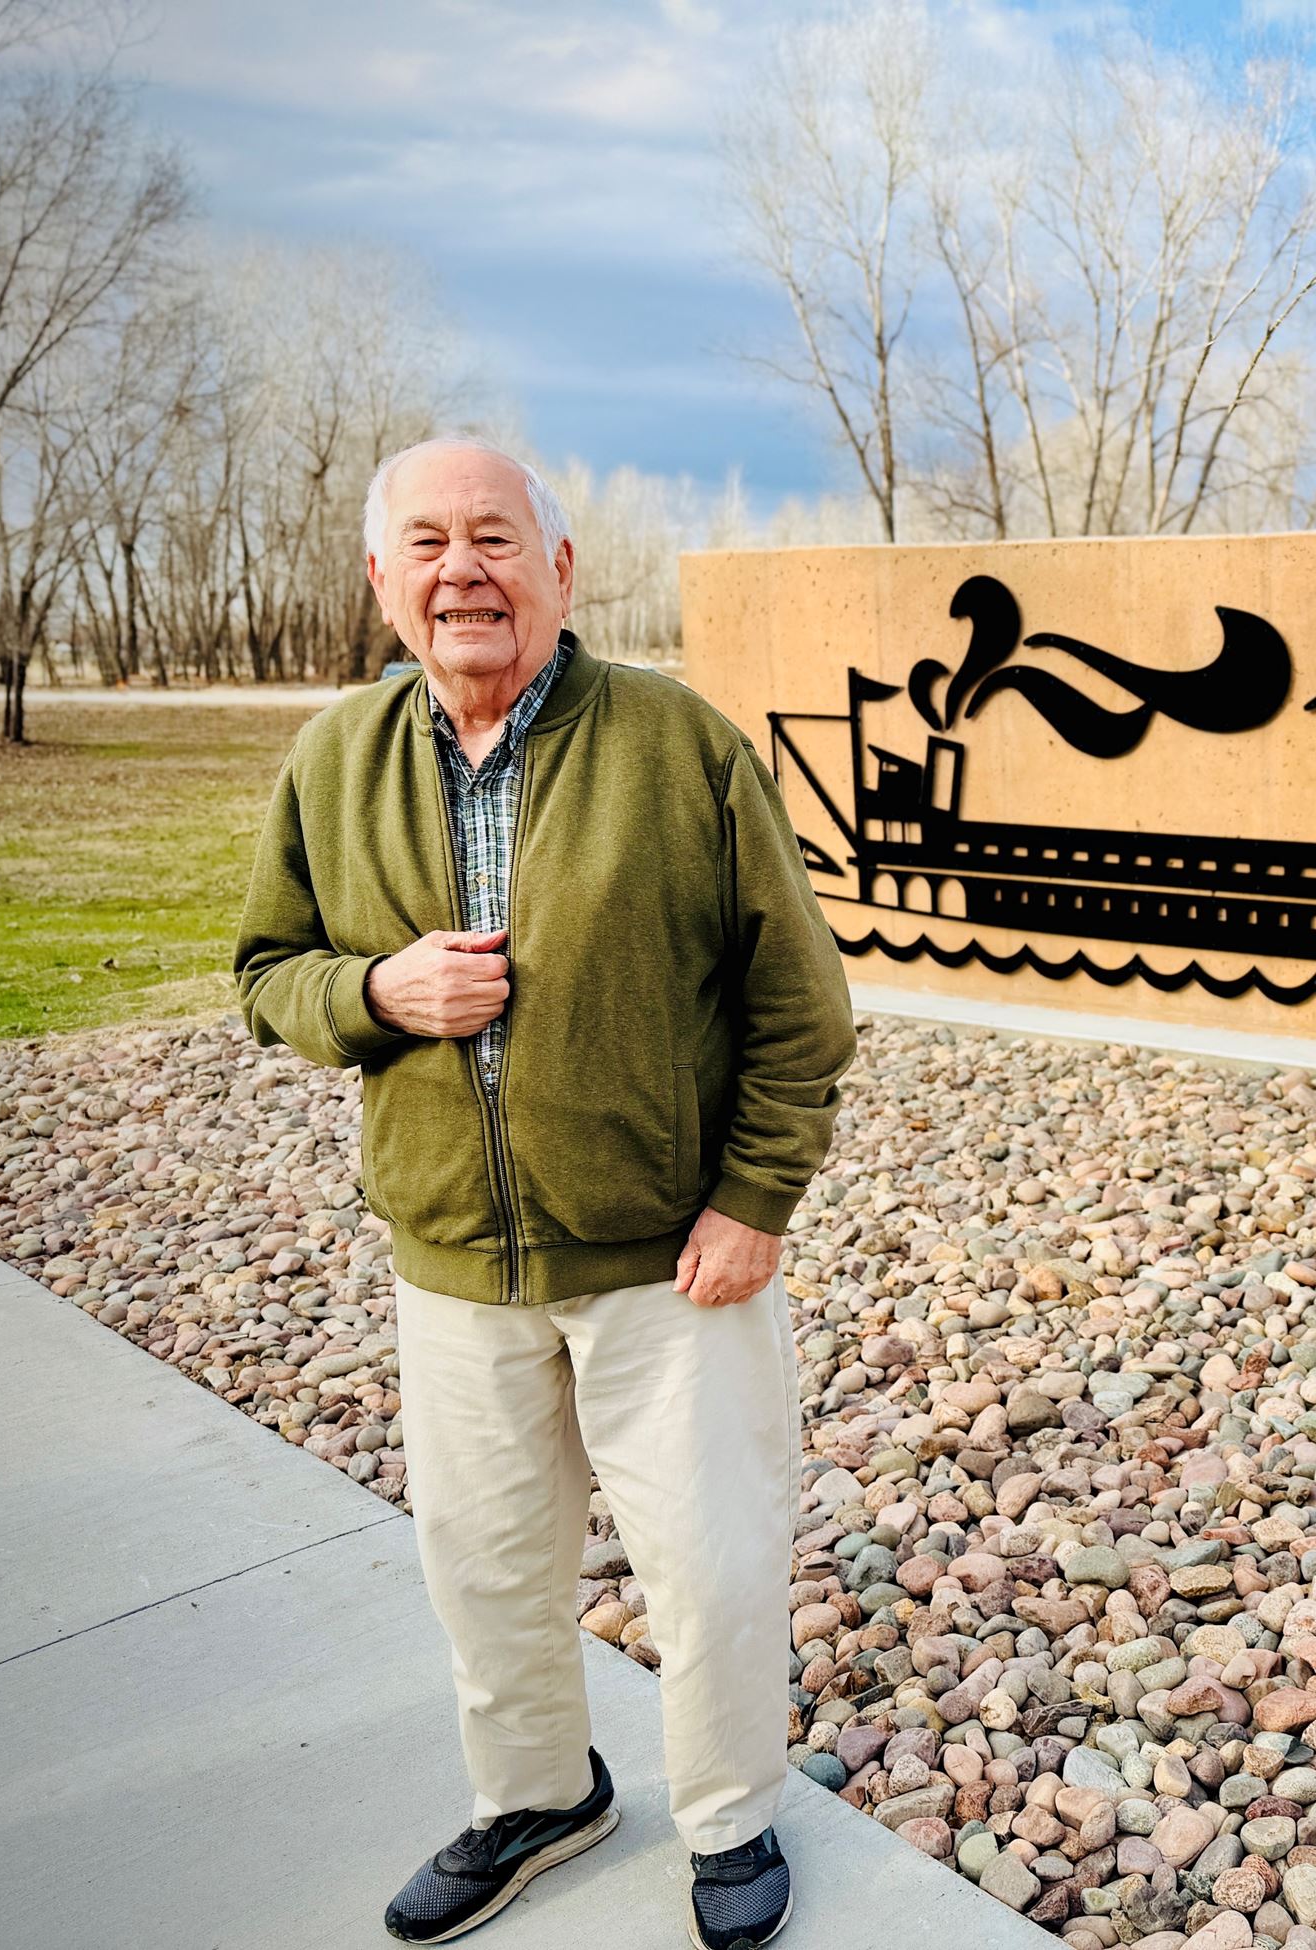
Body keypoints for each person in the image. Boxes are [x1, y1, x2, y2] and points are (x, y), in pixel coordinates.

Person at [235, 435, 853, 1949]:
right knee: (489, 1564)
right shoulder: (333, 758)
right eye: (430, 544)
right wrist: (376, 989)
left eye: (499, 539)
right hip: (452, 1264)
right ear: (383, 581)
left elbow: (802, 1006)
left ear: (562, 570)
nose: (466, 572)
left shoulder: (676, 743)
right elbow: (267, 973)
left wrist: (754, 1200)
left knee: (707, 1563)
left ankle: (725, 1816)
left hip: (669, 1263)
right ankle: (537, 1796)